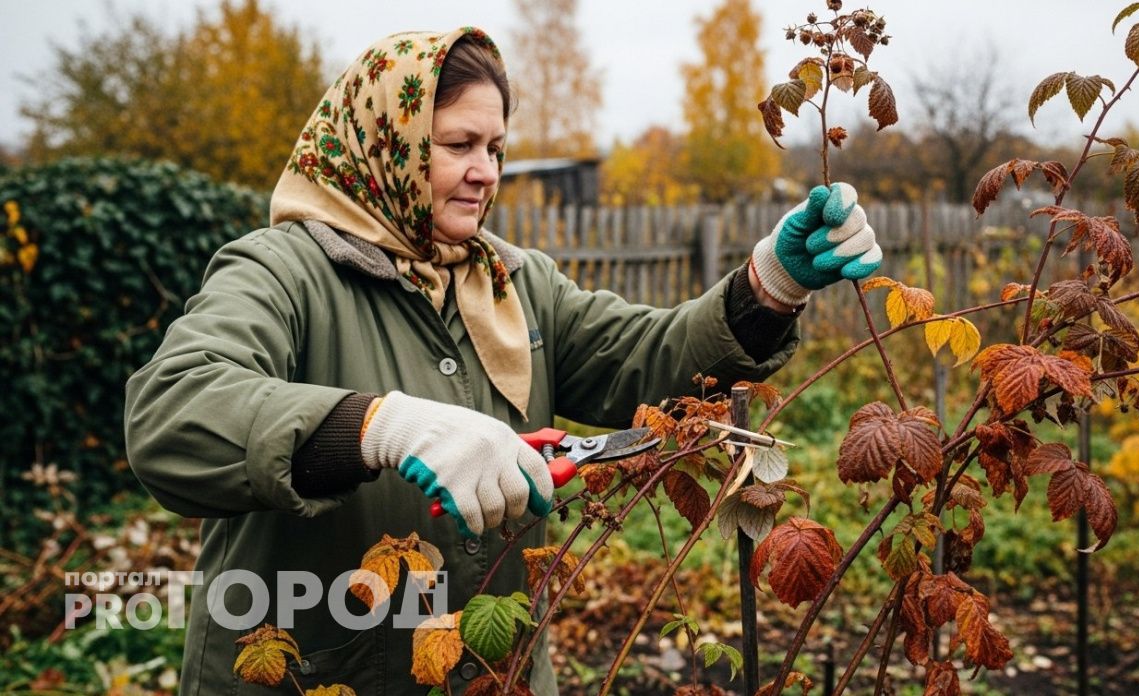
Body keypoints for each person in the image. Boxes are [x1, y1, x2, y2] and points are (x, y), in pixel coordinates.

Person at [123, 27, 882, 695]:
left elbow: (645, 362)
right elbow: (173, 415)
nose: (486, 170)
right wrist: (381, 427)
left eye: (495, 148)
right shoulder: (280, 272)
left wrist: (770, 286)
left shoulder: (512, 281)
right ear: (382, 144)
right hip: (316, 673)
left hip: (497, 675)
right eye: (457, 145)